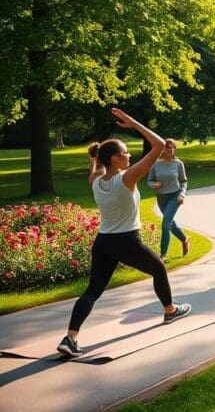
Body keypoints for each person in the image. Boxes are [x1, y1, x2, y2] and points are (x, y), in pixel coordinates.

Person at [57, 108, 191, 358]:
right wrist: (133, 122)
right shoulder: (127, 179)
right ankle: (170, 310)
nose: (129, 155)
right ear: (117, 159)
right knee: (159, 269)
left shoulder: (96, 181)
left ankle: (70, 337)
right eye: (125, 152)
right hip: (127, 240)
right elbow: (160, 144)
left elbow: (97, 166)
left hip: (103, 243)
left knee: (92, 291)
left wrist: (96, 156)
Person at [148, 138, 190, 262]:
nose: (170, 149)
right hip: (161, 197)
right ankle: (184, 239)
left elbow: (184, 181)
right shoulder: (156, 163)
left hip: (175, 196)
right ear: (163, 149)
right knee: (170, 222)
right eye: (168, 147)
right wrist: (154, 185)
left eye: (172, 147)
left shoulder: (178, 164)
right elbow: (149, 180)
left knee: (166, 224)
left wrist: (182, 194)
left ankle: (163, 255)